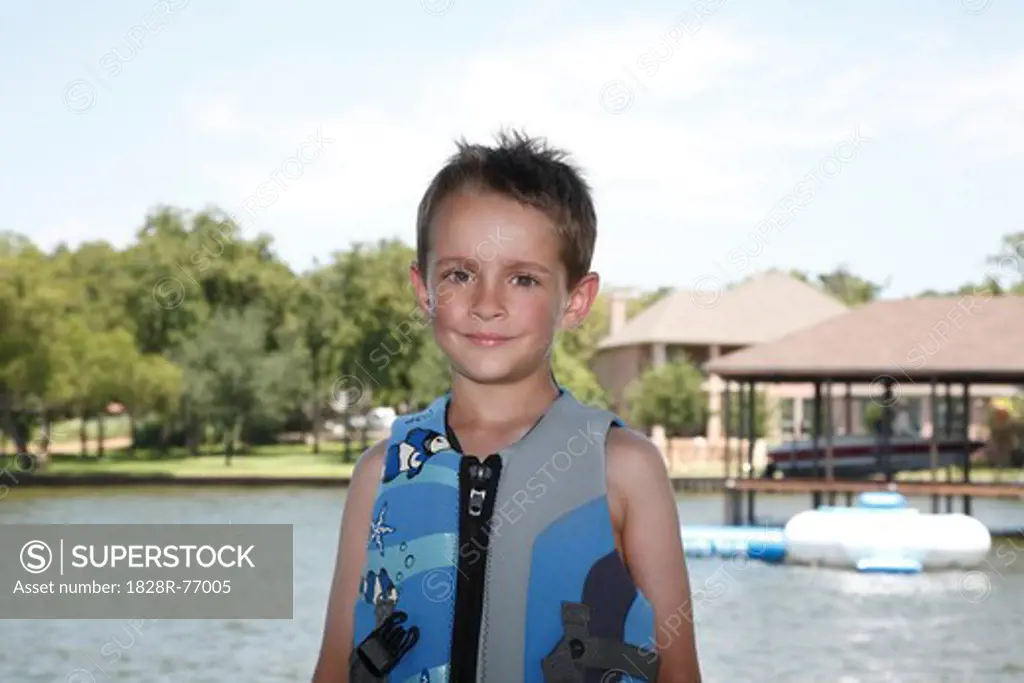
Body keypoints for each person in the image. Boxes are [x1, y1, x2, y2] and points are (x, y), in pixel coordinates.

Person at [312, 130, 702, 682]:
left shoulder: (624, 468)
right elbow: (333, 668)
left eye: (523, 279)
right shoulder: (379, 474)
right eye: (459, 274)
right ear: (423, 292)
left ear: (576, 301)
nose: (486, 304)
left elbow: (680, 672)